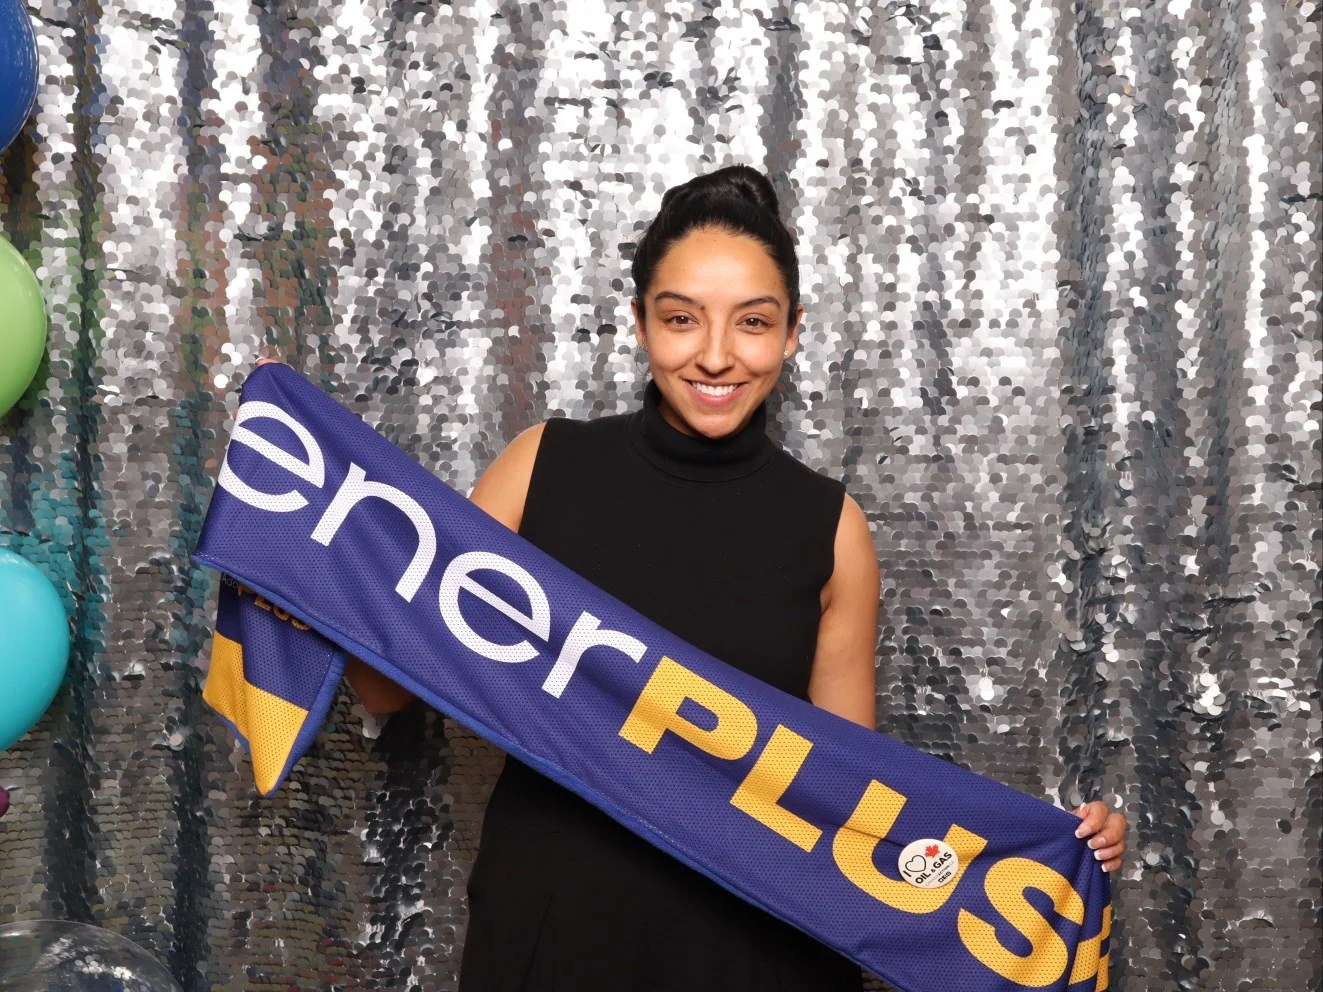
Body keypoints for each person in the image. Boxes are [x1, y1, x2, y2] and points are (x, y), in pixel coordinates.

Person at [315, 164, 1128, 991]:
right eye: (680, 319)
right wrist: (303, 568)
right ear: (639, 323)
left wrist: (1048, 854)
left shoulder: (830, 529)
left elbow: (854, 801)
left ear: (791, 333)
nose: (714, 355)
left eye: (751, 323)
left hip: (757, 949)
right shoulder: (541, 469)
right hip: (558, 928)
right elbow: (388, 691)